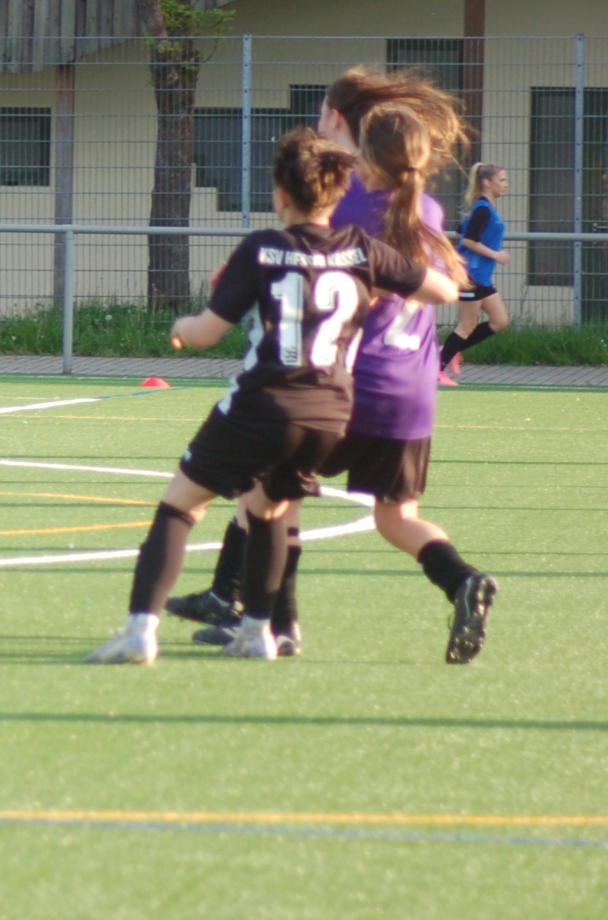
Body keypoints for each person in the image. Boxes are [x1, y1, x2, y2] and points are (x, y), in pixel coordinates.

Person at [87, 129, 458, 664]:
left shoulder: (264, 247)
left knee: (181, 506)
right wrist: (379, 286)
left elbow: (206, 333)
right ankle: (258, 633)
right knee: (268, 509)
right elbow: (443, 290)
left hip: (263, 405)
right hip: (329, 416)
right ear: (337, 192)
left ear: (281, 195)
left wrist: (180, 327)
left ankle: (140, 631)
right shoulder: (361, 248)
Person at [168, 69, 499, 663]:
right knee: (398, 518)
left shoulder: (343, 199)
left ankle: (276, 623)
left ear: (341, 125)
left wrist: (247, 272)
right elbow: (441, 287)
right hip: (412, 390)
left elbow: (304, 259)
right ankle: (462, 579)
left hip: (345, 384)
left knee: (271, 499)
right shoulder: (424, 203)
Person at [439, 163, 509, 384]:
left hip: (481, 277)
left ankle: (451, 349)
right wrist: (496, 254)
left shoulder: (484, 208)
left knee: (499, 321)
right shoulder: (482, 209)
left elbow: (462, 230)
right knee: (467, 324)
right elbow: (469, 240)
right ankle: (437, 367)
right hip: (470, 276)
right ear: (488, 182)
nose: (505, 185)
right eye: (502, 180)